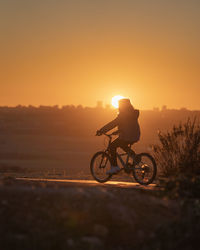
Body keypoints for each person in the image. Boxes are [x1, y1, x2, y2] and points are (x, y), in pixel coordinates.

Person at [96, 98, 140, 174]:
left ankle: (115, 167)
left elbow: (113, 124)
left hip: (127, 136)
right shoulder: (132, 113)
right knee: (123, 145)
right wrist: (117, 131)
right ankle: (136, 158)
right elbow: (128, 126)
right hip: (135, 135)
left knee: (112, 147)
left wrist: (101, 130)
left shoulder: (123, 115)